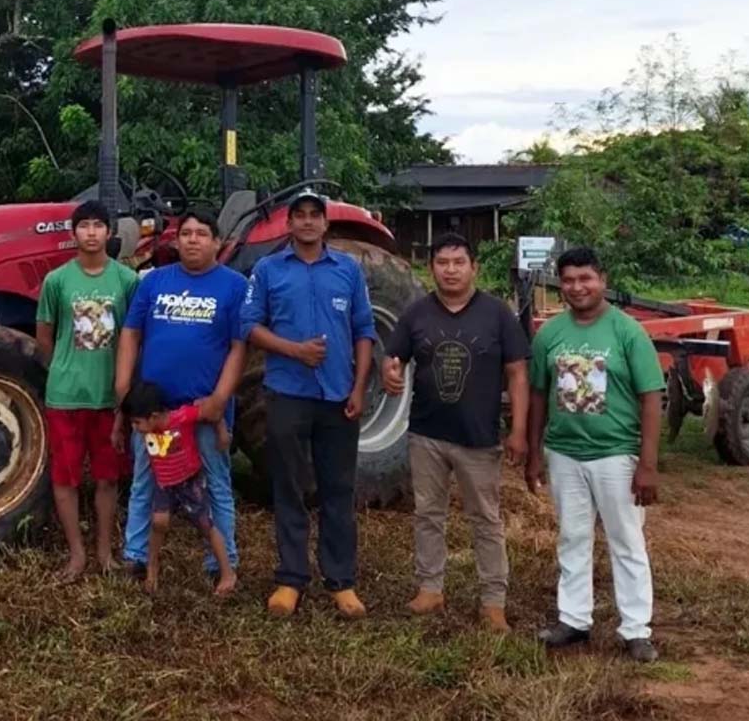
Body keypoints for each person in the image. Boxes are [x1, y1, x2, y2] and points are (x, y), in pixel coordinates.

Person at [239, 189, 377, 619]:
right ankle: (290, 579)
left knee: (338, 489)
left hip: (337, 396)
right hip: (287, 394)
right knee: (289, 488)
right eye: (298, 215)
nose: (307, 221)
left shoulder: (348, 269)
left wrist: (359, 388)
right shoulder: (268, 269)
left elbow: (364, 330)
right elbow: (249, 325)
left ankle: (342, 581)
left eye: (314, 215)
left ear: (325, 223)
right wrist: (294, 351)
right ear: (289, 223)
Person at [382, 232, 529, 633]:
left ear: (473, 267)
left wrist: (518, 430)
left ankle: (493, 601)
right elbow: (393, 357)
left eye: (458, 262)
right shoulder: (416, 313)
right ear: (431, 269)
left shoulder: (497, 314)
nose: (451, 270)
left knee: (486, 519)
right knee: (428, 514)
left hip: (478, 438)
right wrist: (389, 372)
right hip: (426, 434)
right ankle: (430, 589)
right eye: (442, 263)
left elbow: (517, 373)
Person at [526, 246, 663, 663]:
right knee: (572, 537)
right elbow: (538, 395)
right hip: (564, 453)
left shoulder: (627, 332)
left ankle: (636, 630)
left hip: (615, 455)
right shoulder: (550, 334)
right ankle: (574, 620)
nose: (577, 287)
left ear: (603, 279)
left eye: (585, 278)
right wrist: (534, 452)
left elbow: (651, 397)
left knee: (626, 540)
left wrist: (647, 464)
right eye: (568, 280)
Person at [115, 208, 247, 581]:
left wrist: (219, 399)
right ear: (176, 241)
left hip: (203, 411)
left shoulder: (235, 286)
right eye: (186, 233)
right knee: (144, 481)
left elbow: (240, 347)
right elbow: (131, 334)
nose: (192, 240)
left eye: (201, 233)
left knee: (216, 484)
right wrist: (123, 391)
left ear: (217, 243)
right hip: (153, 411)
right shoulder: (155, 281)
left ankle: (221, 562)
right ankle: (136, 557)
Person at [36, 200, 138, 582]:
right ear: (74, 232)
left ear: (109, 232)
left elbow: (133, 336)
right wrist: (63, 370)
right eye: (84, 225)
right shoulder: (57, 281)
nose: (91, 232)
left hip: (109, 397)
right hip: (65, 395)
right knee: (66, 478)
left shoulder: (126, 281)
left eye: (98, 225)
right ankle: (76, 555)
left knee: (108, 478)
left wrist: (124, 389)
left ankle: (105, 553)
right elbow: (44, 337)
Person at [121, 381, 237, 596]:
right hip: (163, 483)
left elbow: (210, 412)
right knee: (158, 523)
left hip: (189, 482)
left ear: (153, 417)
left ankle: (227, 571)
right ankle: (152, 569)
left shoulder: (181, 417)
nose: (135, 428)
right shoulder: (147, 430)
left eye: (136, 422)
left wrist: (222, 433)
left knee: (206, 525)